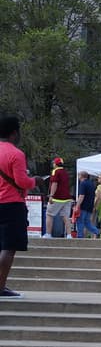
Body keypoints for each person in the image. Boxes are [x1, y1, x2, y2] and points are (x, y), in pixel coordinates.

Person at [0, 116, 35, 297]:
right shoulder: (16, 154)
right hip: (11, 204)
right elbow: (22, 181)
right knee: (8, 247)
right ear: (14, 133)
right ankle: (0, 286)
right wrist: (33, 181)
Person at [44, 157, 72, 238]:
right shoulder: (65, 172)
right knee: (65, 216)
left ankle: (48, 234)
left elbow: (54, 184)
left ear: (55, 164)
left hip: (57, 198)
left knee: (49, 214)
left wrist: (51, 195)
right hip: (67, 198)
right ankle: (69, 235)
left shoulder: (55, 171)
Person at [74, 171, 100, 241]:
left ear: (81, 176)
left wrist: (77, 206)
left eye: (79, 175)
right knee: (87, 222)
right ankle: (97, 231)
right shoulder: (91, 184)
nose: (78, 177)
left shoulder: (83, 184)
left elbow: (81, 196)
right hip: (90, 206)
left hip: (83, 206)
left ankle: (80, 236)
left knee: (80, 221)